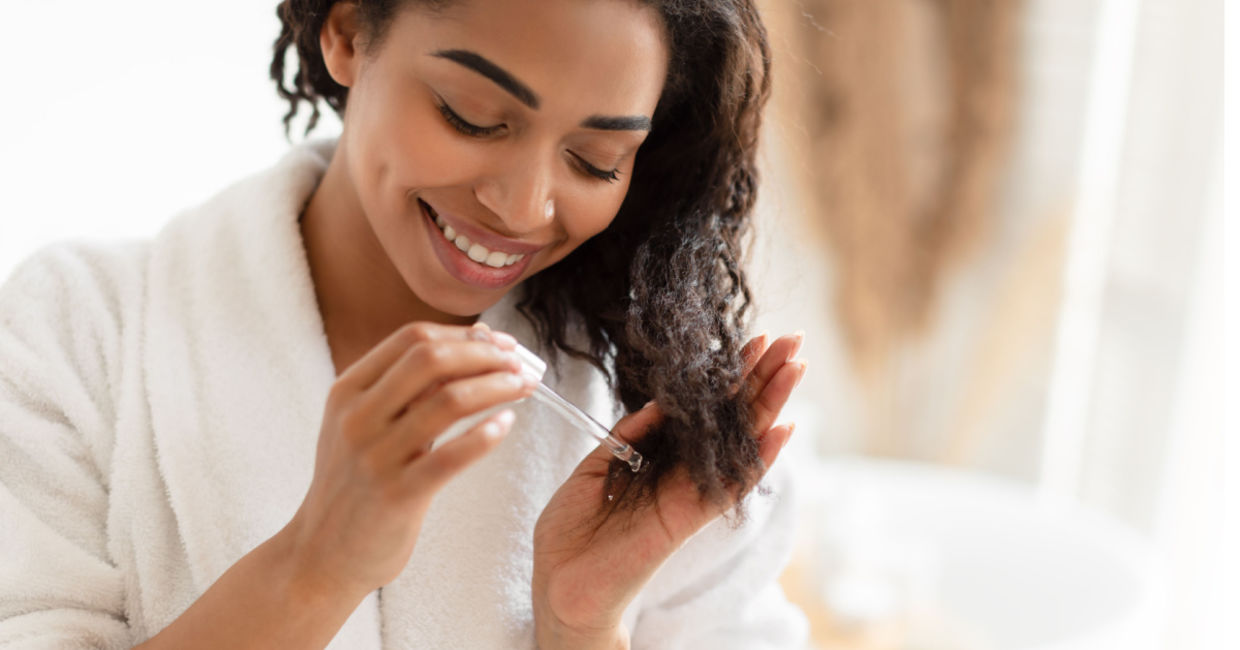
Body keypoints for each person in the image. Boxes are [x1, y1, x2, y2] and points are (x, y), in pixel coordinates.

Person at [0, 0, 809, 648]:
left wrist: (582, 624)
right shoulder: (83, 329)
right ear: (349, 30)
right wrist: (313, 566)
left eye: (595, 159)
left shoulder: (660, 417)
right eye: (472, 116)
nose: (524, 207)